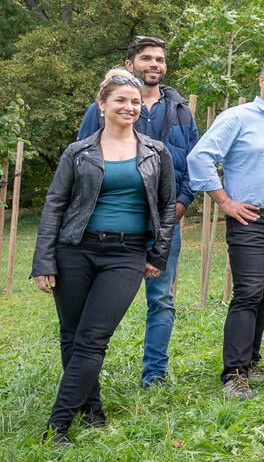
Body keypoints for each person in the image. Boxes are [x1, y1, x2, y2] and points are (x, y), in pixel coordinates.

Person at [32, 69, 176, 445]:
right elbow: (54, 205)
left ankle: (58, 424)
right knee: (73, 333)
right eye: (120, 101)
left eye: (134, 102)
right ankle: (91, 406)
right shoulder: (78, 152)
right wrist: (44, 260)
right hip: (75, 249)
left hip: (126, 254)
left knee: (93, 337)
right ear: (102, 105)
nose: (129, 107)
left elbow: (165, 208)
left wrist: (157, 255)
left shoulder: (156, 153)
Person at [76, 35, 199, 389]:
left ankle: (154, 375)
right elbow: (81, 157)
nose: (154, 65)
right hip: (111, 223)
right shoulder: (105, 106)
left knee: (162, 298)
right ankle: (88, 376)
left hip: (164, 222)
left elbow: (192, 163)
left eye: (160, 59)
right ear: (130, 64)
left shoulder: (179, 111)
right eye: (147, 58)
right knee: (95, 302)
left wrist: (181, 203)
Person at [187, 52, 264, 401]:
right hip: (249, 222)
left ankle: (252, 358)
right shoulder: (236, 118)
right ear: (262, 80)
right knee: (248, 294)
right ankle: (234, 373)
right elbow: (200, 158)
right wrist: (225, 202)